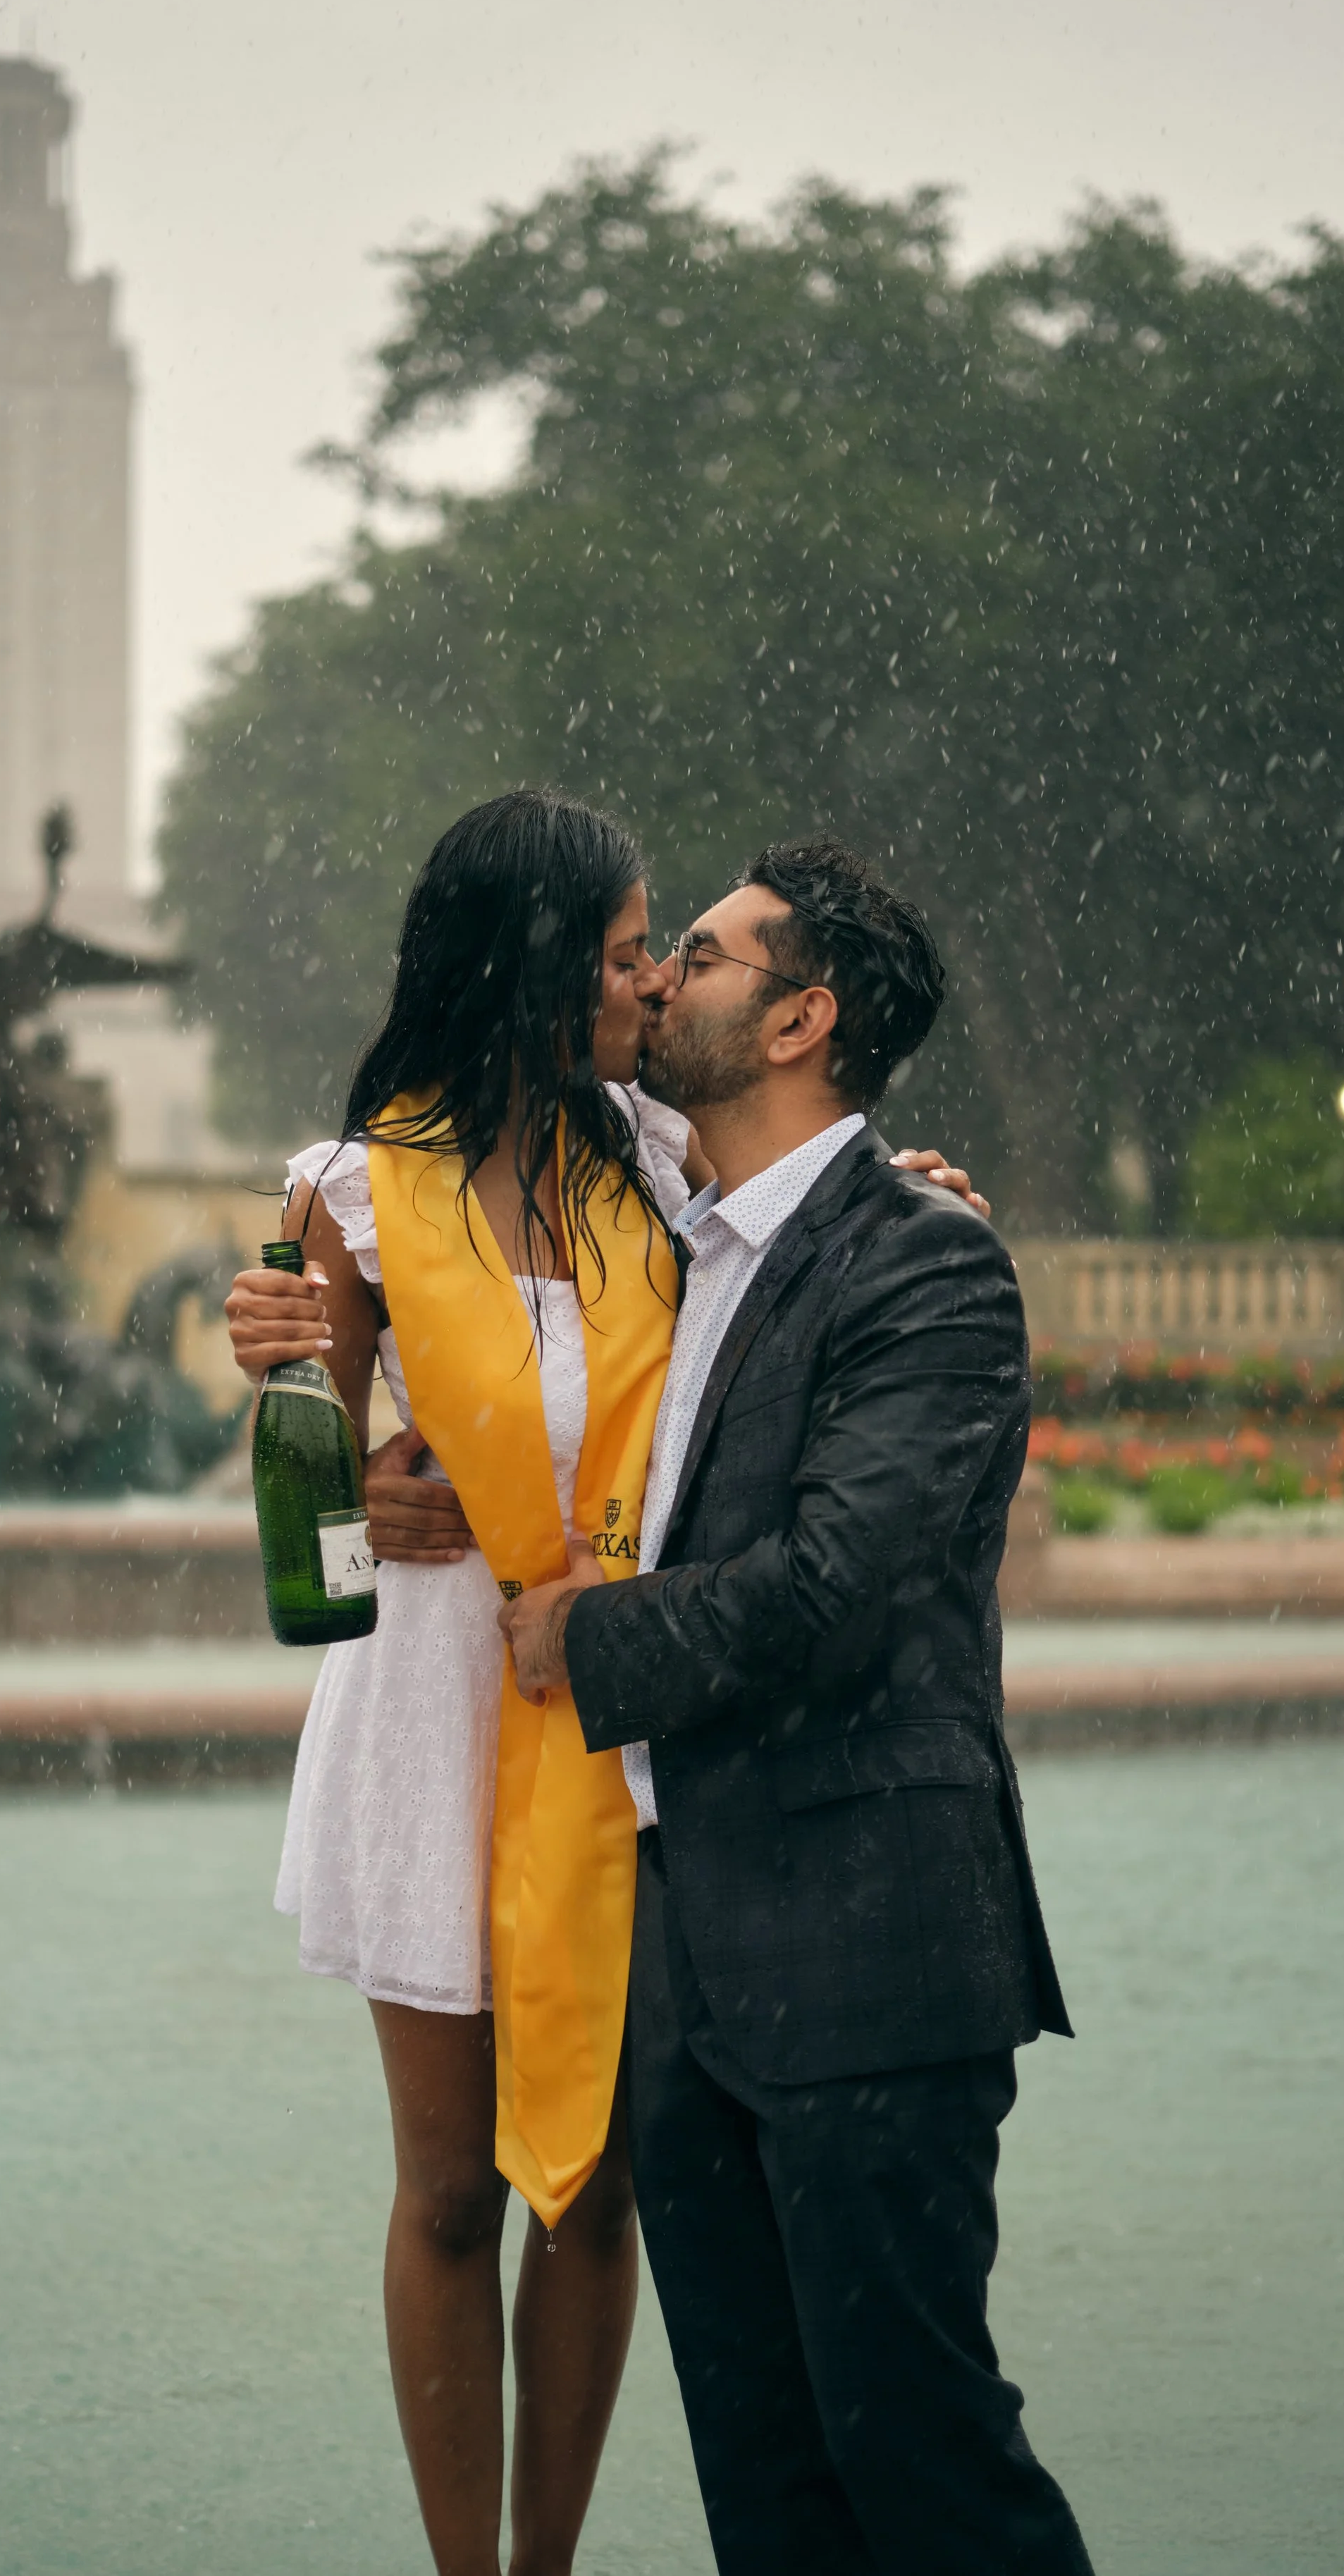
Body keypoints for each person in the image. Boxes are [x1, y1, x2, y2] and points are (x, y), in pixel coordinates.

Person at [224, 796, 986, 2576]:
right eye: (629, 950)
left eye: (667, 950)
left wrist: (924, 1190)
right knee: (448, 2184)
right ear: (533, 964)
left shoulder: (658, 1156)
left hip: (630, 1702)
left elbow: (809, 1224)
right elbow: (307, 1489)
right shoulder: (352, 1188)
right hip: (433, 1706)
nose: (651, 980)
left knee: (595, 2175)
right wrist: (327, 1440)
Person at [501, 838, 1095, 2576]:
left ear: (798, 1021)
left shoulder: (925, 1263)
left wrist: (586, 1639)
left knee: (922, 2462)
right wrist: (302, 1327)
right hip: (688, 1972)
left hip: (867, 1951)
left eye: (696, 951)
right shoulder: (668, 1253)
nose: (653, 975)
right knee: (766, 2496)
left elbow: (835, 1591)